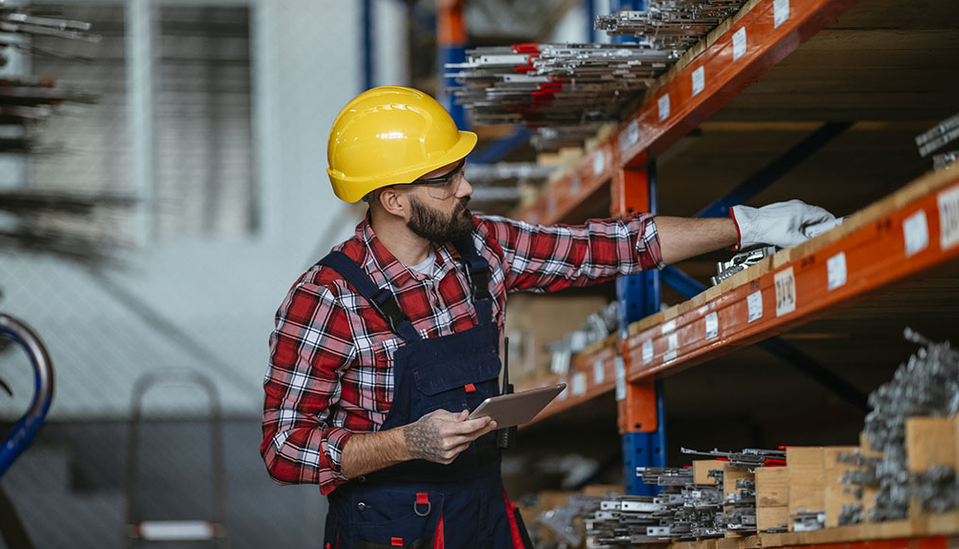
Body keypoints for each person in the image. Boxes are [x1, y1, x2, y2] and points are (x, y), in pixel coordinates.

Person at [261, 86, 835, 548]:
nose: (465, 186)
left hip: (484, 511)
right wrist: (407, 442)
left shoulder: (482, 248)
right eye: (444, 180)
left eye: (460, 169)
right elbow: (283, 447)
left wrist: (748, 227)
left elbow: (611, 245)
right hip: (384, 529)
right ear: (392, 200)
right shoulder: (326, 299)